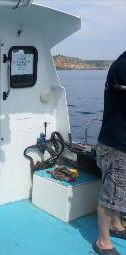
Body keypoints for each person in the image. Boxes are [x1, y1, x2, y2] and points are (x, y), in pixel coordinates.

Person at [93, 51, 126, 255]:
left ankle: (116, 225)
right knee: (111, 193)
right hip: (117, 143)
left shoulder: (120, 63)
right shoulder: (123, 66)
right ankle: (102, 242)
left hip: (114, 140)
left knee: (119, 191)